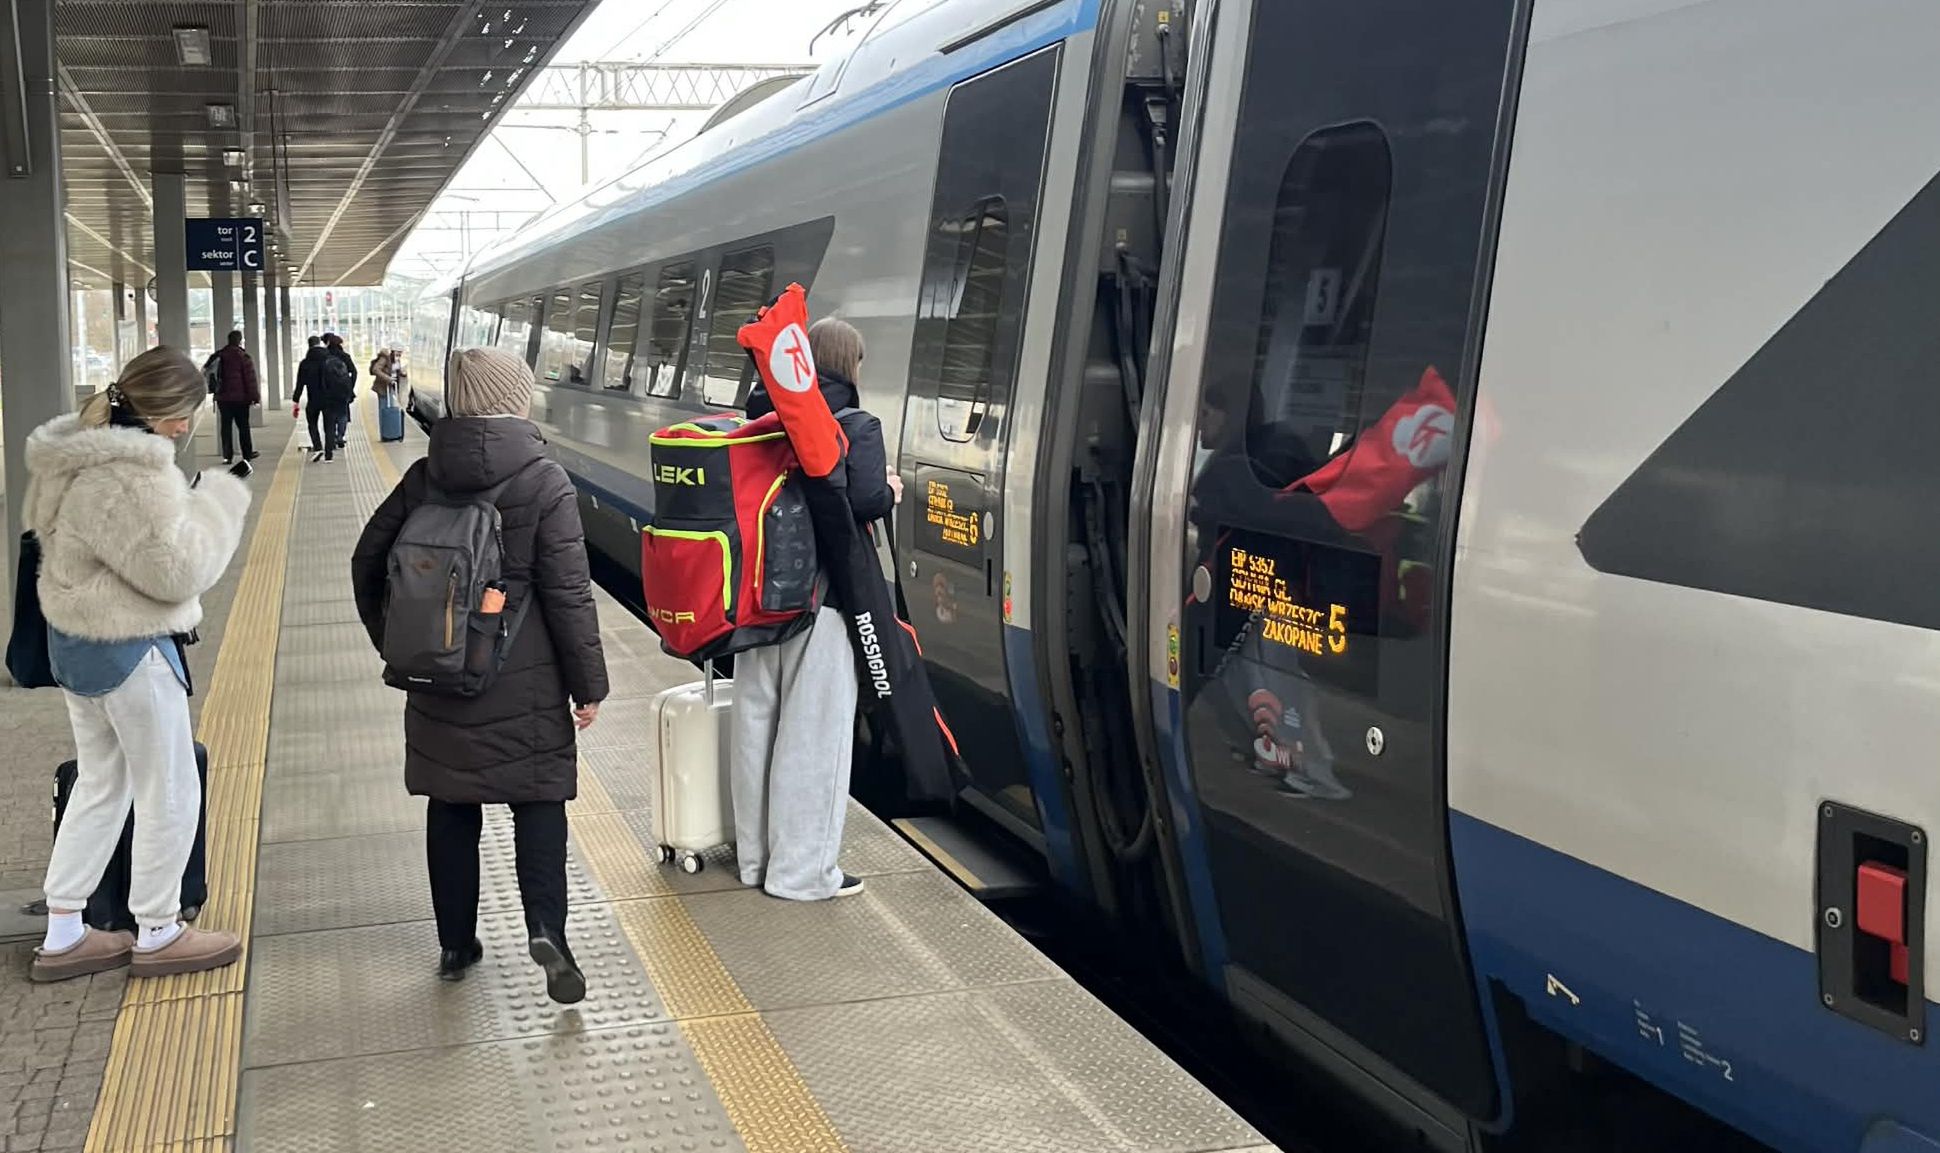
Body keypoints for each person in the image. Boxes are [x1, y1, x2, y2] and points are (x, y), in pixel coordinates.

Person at [350, 347, 609, 1002]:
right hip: (527, 678)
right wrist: (589, 686)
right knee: (539, 801)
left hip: (439, 674)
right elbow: (569, 594)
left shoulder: (423, 475)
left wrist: (399, 643)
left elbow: (366, 561)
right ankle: (547, 929)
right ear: (515, 401)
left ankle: (456, 943)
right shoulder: (545, 481)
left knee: (452, 803)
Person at [22, 347, 252, 982]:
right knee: (169, 787)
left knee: (103, 784)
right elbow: (175, 572)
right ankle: (158, 928)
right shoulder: (132, 473)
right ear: (168, 414)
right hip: (131, 648)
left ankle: (66, 931)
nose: (189, 426)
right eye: (188, 413)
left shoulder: (76, 457)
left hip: (76, 644)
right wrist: (221, 503)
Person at [732, 317, 900, 902]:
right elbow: (865, 498)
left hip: (755, 604)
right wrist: (891, 492)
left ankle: (755, 861)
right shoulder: (856, 424)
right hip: (822, 603)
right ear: (850, 365)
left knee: (756, 726)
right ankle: (803, 874)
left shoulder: (757, 418)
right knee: (815, 738)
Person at [212, 331, 260, 464]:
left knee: (226, 427)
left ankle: (227, 456)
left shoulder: (219, 355)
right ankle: (247, 454)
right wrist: (255, 397)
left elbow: (208, 371)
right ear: (240, 341)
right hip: (241, 399)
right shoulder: (243, 356)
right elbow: (250, 380)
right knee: (243, 426)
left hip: (223, 398)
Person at [318, 333, 357, 461]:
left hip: (328, 392)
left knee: (330, 417)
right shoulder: (345, 356)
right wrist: (350, 386)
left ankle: (332, 439)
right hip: (343, 391)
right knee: (343, 414)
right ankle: (340, 436)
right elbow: (354, 371)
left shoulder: (324, 357)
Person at [291, 336, 328, 460]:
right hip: (329, 398)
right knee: (329, 423)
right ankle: (329, 448)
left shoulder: (305, 363)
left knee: (312, 423)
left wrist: (295, 400)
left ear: (309, 345)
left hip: (313, 399)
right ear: (319, 344)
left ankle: (318, 447)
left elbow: (300, 384)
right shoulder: (329, 359)